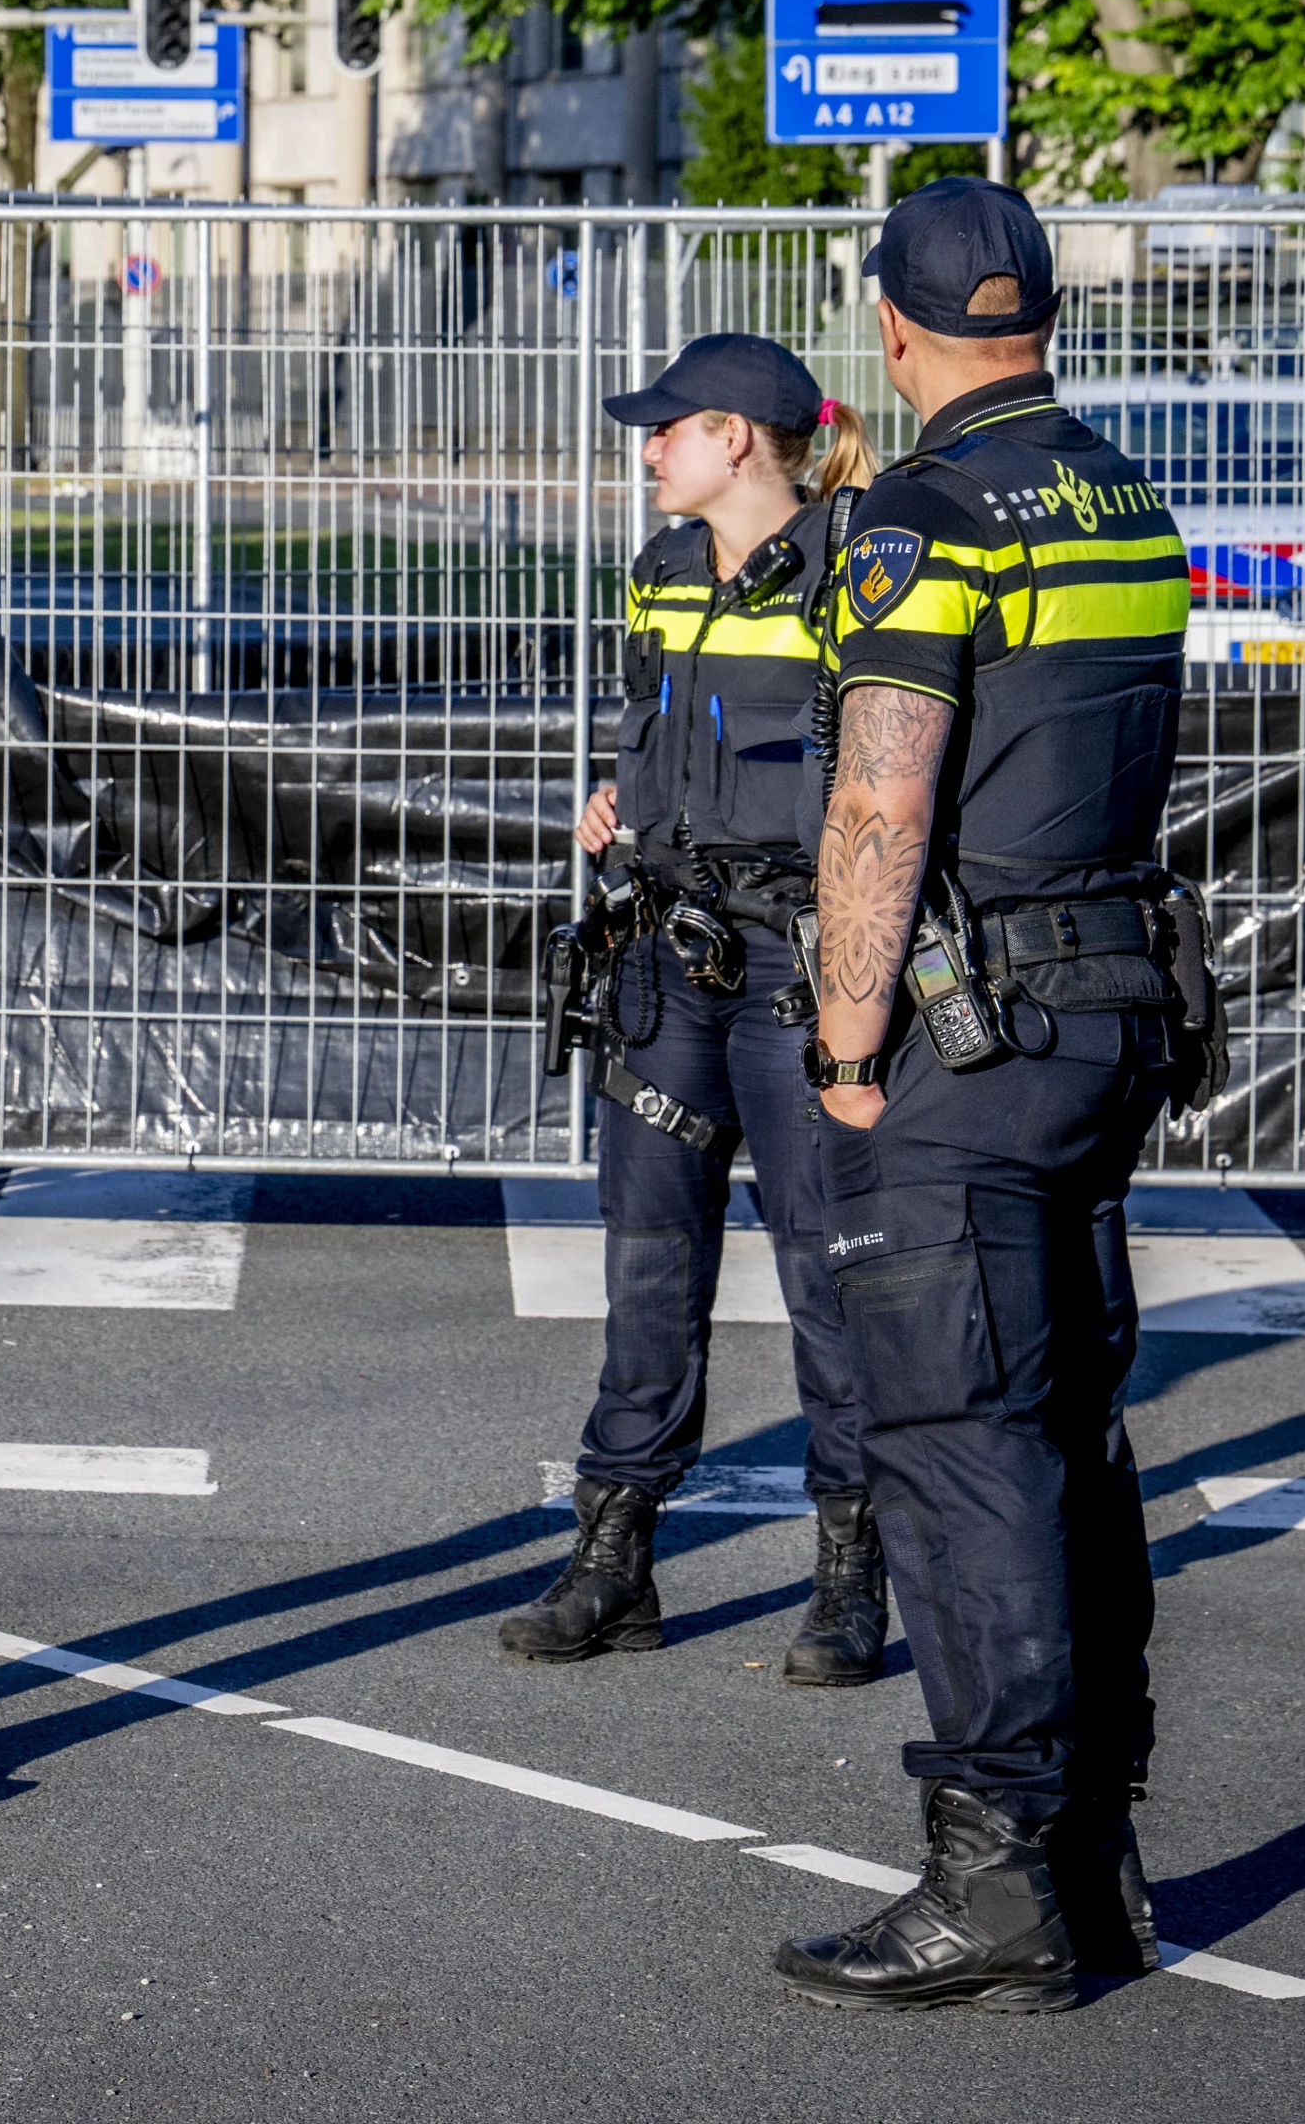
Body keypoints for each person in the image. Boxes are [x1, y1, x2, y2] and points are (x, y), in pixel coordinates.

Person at [774, 179, 1202, 2010]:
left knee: (960, 1449)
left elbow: (882, 800)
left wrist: (848, 1046)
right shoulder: (1130, 499)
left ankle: (993, 1877)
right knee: (1071, 1440)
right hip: (1112, 1010)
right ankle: (1093, 1851)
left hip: (969, 1038)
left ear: (896, 326)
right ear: (1043, 318)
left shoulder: (922, 518)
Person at [500, 333, 895, 1688]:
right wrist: (620, 810)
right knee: (648, 1264)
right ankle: (614, 1563)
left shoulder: (855, 570)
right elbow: (645, 728)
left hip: (799, 966)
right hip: (667, 957)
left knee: (825, 1276)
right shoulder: (666, 570)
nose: (647, 447)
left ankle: (851, 1573)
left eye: (665, 428)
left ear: (737, 440)